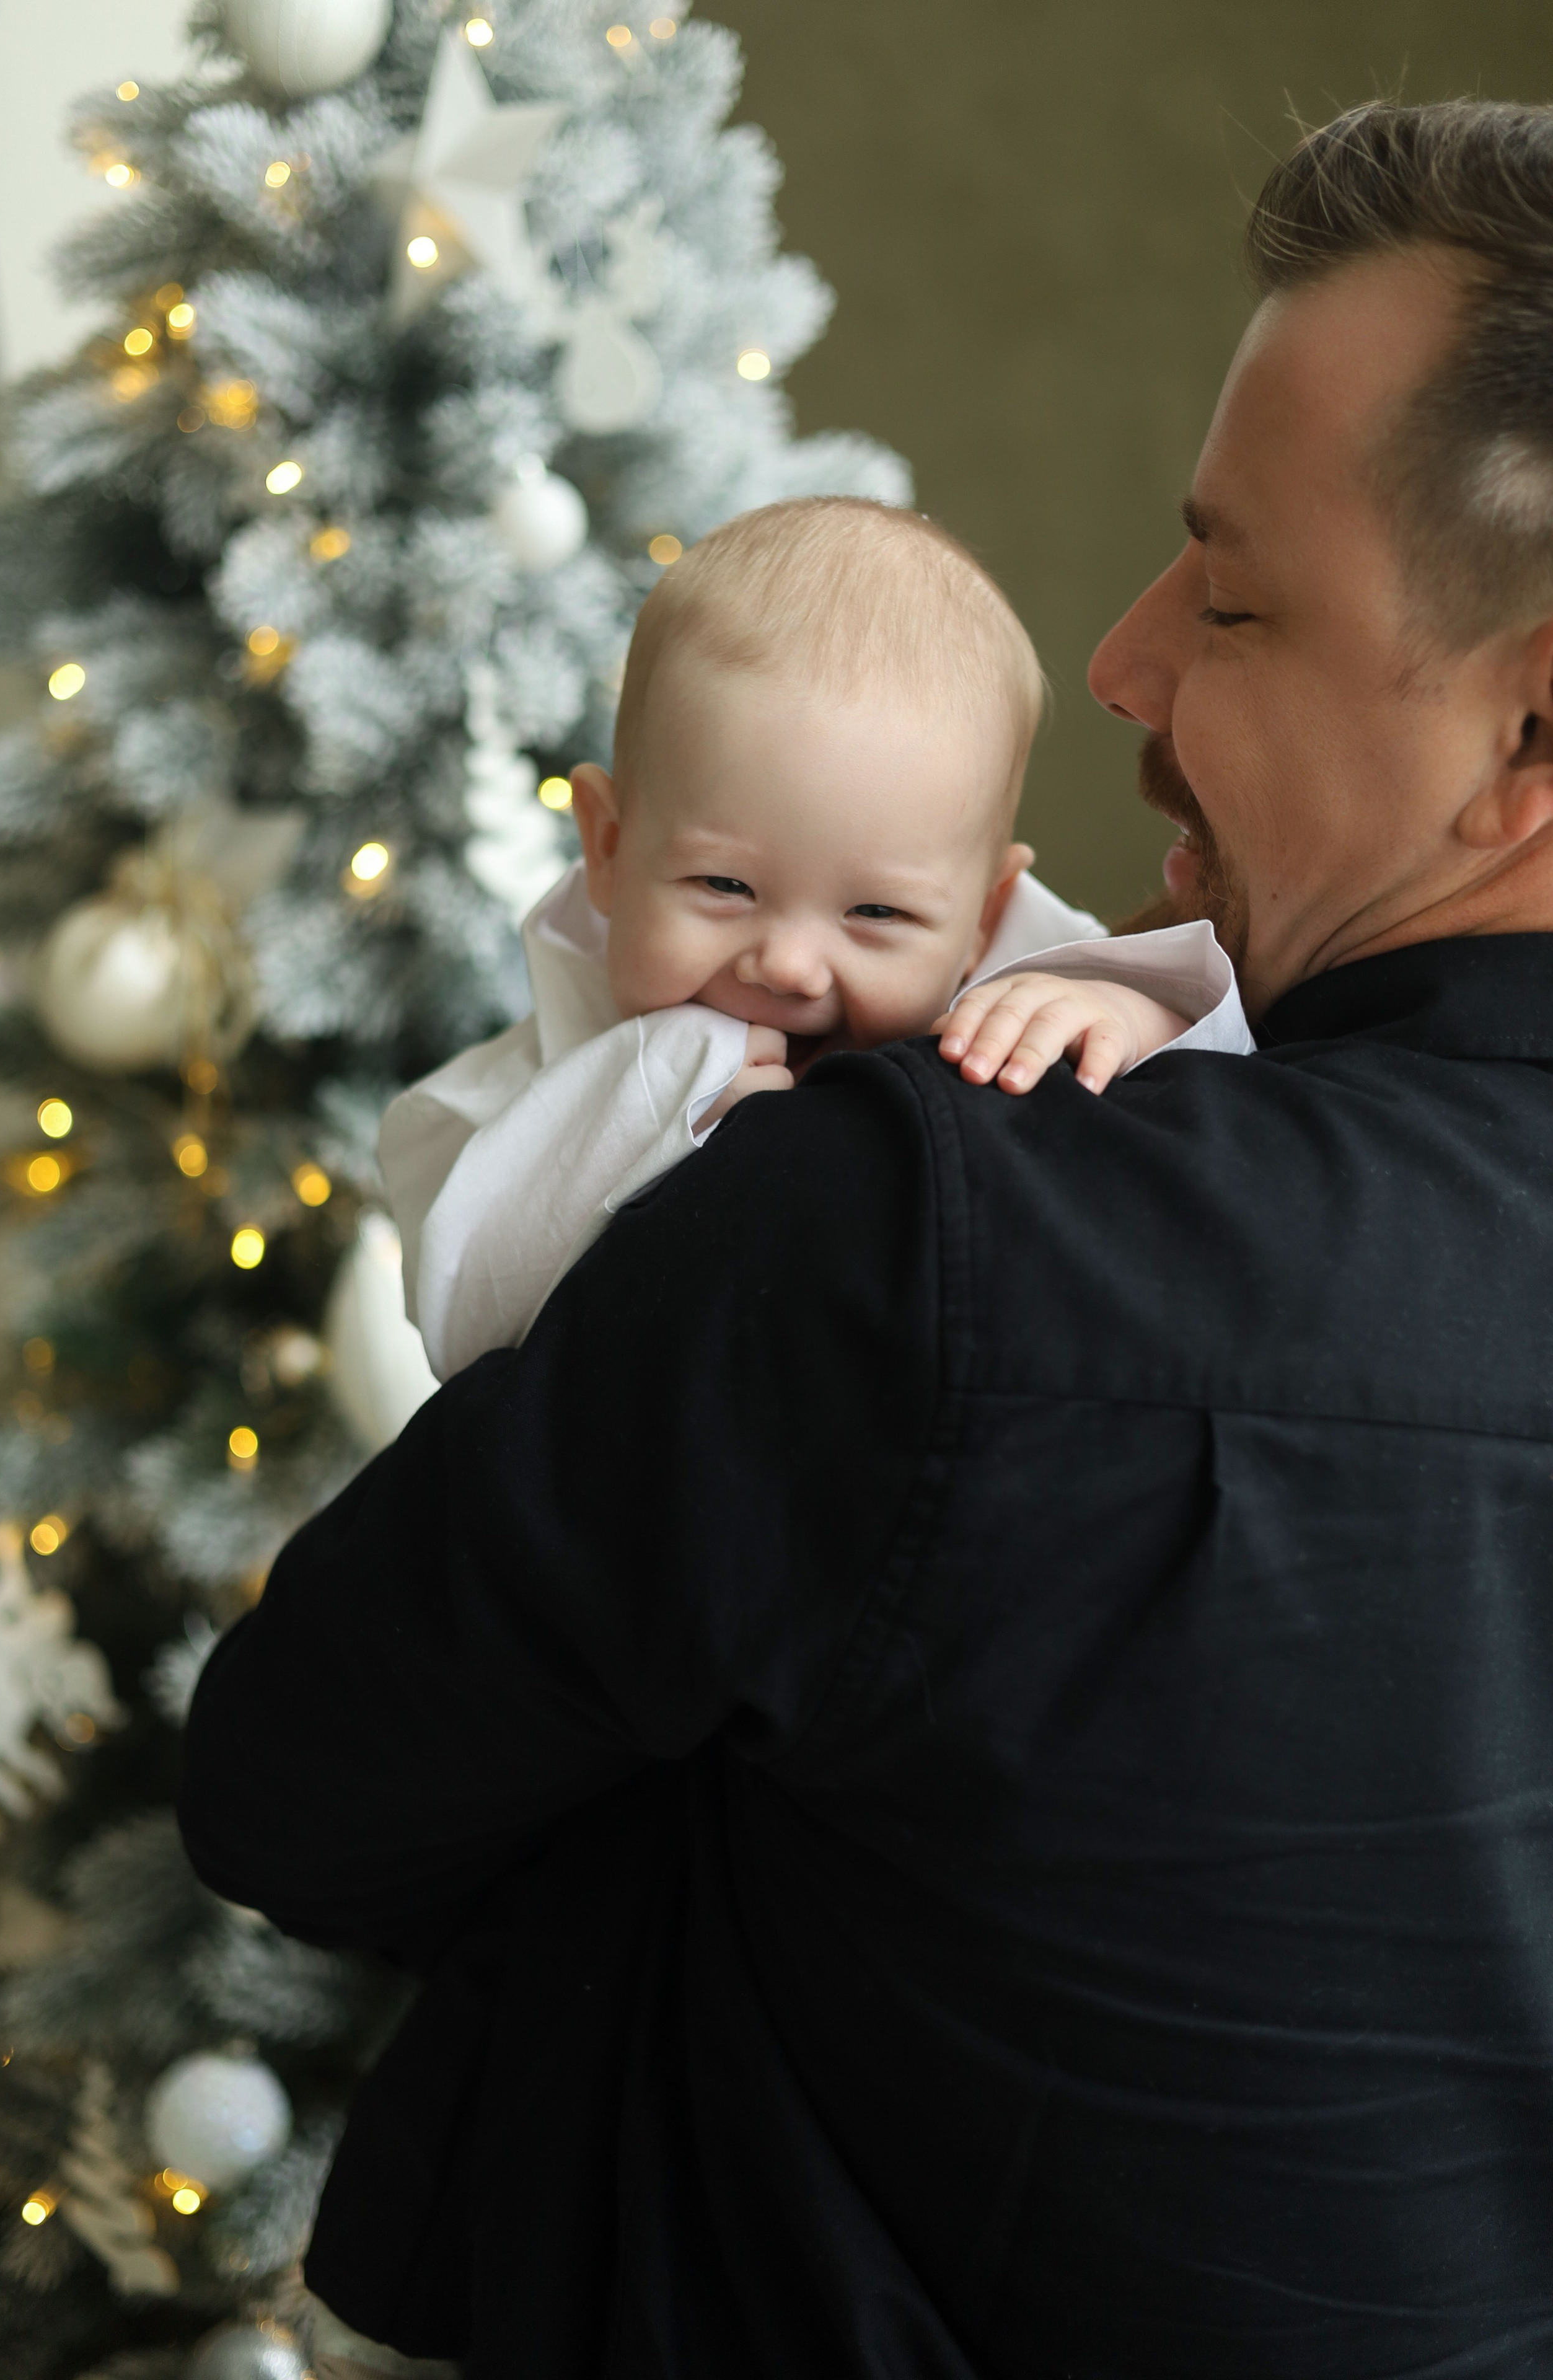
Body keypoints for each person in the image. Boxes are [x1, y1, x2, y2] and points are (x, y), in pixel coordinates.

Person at [182, 98, 1553, 2379]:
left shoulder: (910, 1231)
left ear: (1528, 737)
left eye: (1227, 597)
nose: (1116, 668)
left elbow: (294, 1789)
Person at [379, 498, 1247, 1376]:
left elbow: (1218, 1128)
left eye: (876, 914)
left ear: (983, 916)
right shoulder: (502, 1105)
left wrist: (1134, 1015)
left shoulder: (1023, 990)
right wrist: (648, 1112)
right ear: (606, 845)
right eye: (725, 886)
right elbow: (462, 1321)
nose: (790, 967)